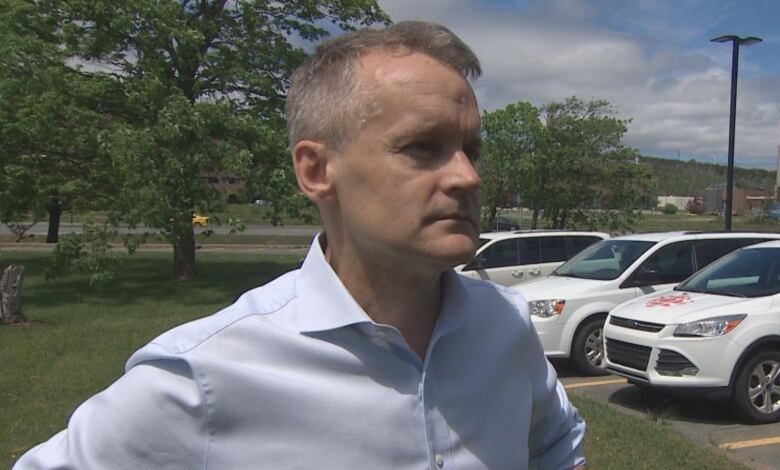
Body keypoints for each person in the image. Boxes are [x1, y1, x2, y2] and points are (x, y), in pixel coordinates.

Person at [15, 21, 586, 469]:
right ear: (316, 170)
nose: (467, 176)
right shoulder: (205, 375)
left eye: (471, 149)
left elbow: (556, 441)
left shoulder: (505, 325)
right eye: (423, 147)